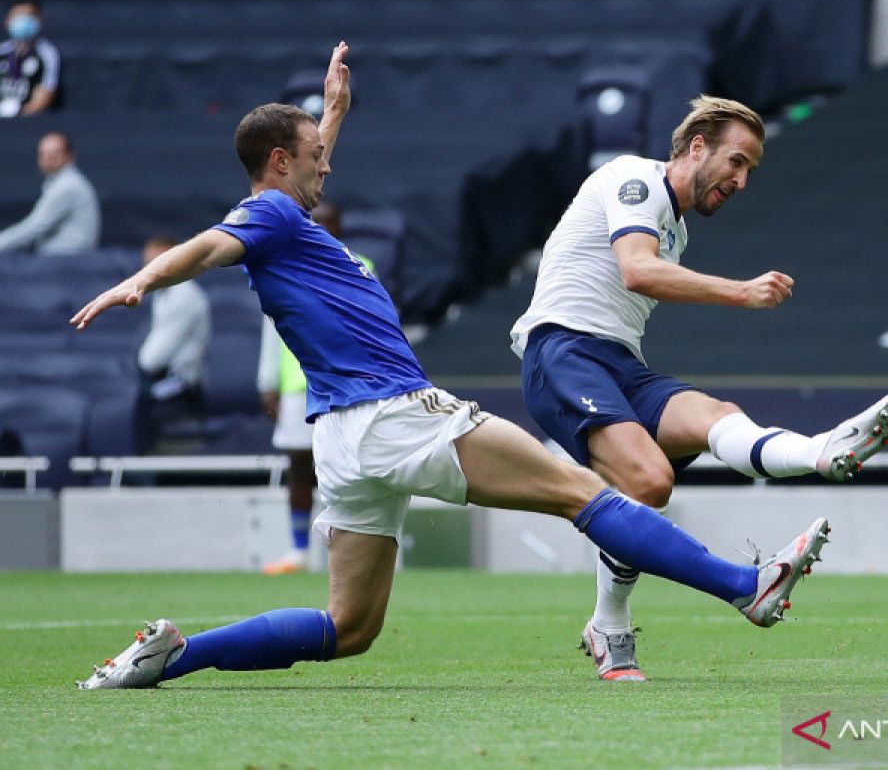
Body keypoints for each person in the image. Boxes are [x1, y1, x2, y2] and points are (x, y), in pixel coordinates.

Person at [69, 42, 831, 691]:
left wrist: (333, 109)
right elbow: (210, 243)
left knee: (349, 627)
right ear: (279, 161)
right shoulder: (270, 213)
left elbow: (297, 176)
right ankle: (745, 586)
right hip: (391, 410)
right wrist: (145, 278)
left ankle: (174, 655)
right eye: (313, 156)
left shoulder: (287, 219)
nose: (326, 170)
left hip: (341, 437)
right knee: (581, 491)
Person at [509, 95, 888, 681]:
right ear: (697, 147)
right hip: (562, 351)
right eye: (737, 161)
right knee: (649, 479)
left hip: (619, 362)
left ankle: (816, 453)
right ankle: (743, 583)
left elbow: (647, 270)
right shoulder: (633, 178)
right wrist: (742, 292)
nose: (742, 180)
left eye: (750, 170)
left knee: (707, 422)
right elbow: (636, 270)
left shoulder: (676, 232)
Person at [256, 199, 345, 575]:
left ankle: (341, 551)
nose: (322, 228)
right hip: (297, 387)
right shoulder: (286, 267)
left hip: (343, 387)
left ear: (340, 227)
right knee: (299, 468)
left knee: (343, 470)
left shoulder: (358, 267)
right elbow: (272, 329)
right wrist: (267, 382)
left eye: (329, 222)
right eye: (316, 222)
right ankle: (299, 550)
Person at [137, 236, 212, 449]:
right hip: (168, 390)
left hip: (180, 396)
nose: (149, 268)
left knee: (177, 456)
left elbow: (151, 359)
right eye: (147, 262)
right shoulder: (164, 292)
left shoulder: (184, 296)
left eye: (156, 261)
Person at [0, 131, 100, 254]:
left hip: (67, 260)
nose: (48, 158)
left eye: (55, 153)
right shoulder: (60, 182)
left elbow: (33, 228)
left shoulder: (68, 186)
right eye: (43, 154)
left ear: (70, 155)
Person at [1, 0, 59, 118]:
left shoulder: (48, 54)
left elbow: (44, 96)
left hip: (27, 122)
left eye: (28, 16)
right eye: (18, 15)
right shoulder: (2, 52)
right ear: (7, 21)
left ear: (40, 20)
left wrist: (17, 114)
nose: (23, 21)